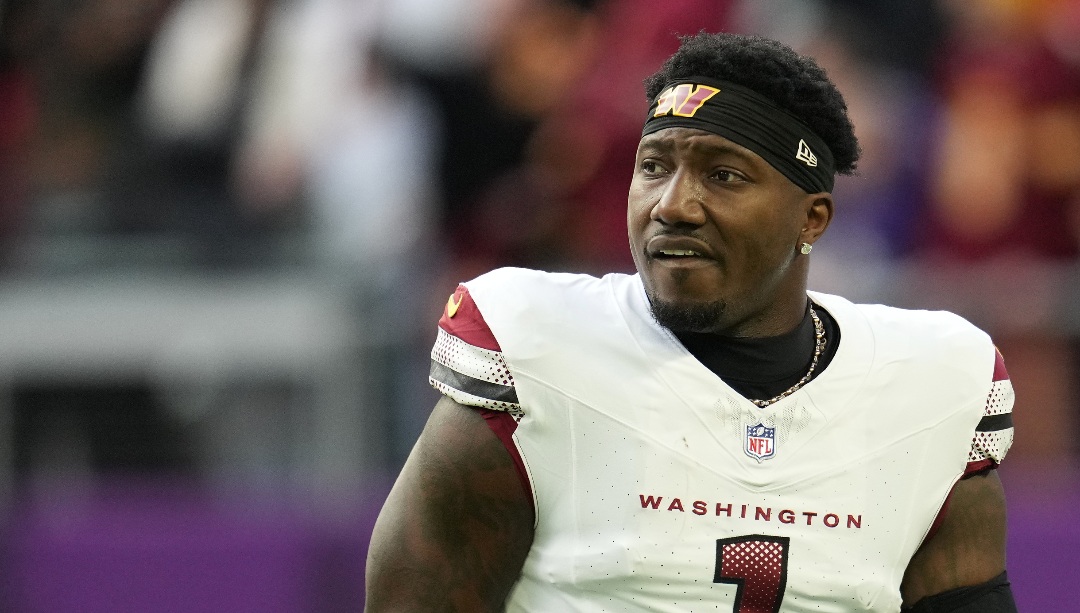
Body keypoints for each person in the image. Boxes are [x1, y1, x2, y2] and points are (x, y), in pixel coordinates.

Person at [364, 32, 1017, 612]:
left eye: (724, 175)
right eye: (654, 166)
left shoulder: (929, 387)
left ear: (811, 219)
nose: (673, 205)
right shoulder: (539, 351)